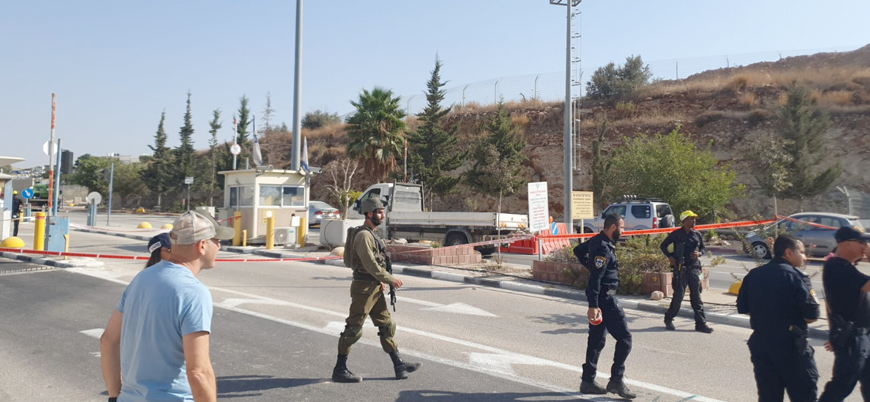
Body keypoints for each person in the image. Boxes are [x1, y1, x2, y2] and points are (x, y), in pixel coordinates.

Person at [100, 211, 234, 402]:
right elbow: (198, 373)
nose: (220, 246)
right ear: (202, 245)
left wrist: (115, 396)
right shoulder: (193, 291)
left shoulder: (141, 279)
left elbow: (108, 340)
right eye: (217, 240)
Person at [332, 198, 421, 383]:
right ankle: (339, 369)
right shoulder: (364, 236)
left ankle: (398, 364)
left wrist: (380, 280)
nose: (382, 215)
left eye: (382, 211)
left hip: (373, 287)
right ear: (370, 213)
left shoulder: (372, 234)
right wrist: (389, 279)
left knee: (387, 325)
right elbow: (370, 264)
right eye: (379, 212)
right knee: (353, 329)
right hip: (364, 290)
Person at [737, 234, 820, 401]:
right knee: (804, 395)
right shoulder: (797, 276)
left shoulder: (754, 274)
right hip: (791, 347)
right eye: (801, 252)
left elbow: (743, 308)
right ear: (788, 253)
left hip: (762, 344)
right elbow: (812, 315)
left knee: (769, 396)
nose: (804, 257)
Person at [578, 213, 636, 399]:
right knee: (625, 339)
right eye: (622, 227)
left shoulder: (599, 241)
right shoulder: (603, 247)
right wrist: (593, 305)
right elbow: (596, 278)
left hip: (601, 297)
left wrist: (591, 267)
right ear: (613, 228)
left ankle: (588, 381)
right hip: (605, 299)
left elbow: (578, 251)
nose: (623, 231)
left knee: (596, 340)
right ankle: (616, 380)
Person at [818, 226, 870, 401]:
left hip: (861, 336)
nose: (865, 246)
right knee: (842, 386)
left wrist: (833, 333)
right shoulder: (837, 266)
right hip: (852, 340)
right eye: (861, 242)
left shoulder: (846, 267)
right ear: (847, 244)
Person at [661, 210, 713, 333]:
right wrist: (670, 257)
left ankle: (701, 324)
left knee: (696, 298)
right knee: (678, 297)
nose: (694, 221)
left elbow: (703, 248)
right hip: (681, 269)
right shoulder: (676, 234)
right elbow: (663, 246)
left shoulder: (697, 234)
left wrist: (699, 253)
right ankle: (668, 318)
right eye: (691, 219)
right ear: (684, 221)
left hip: (694, 268)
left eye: (694, 219)